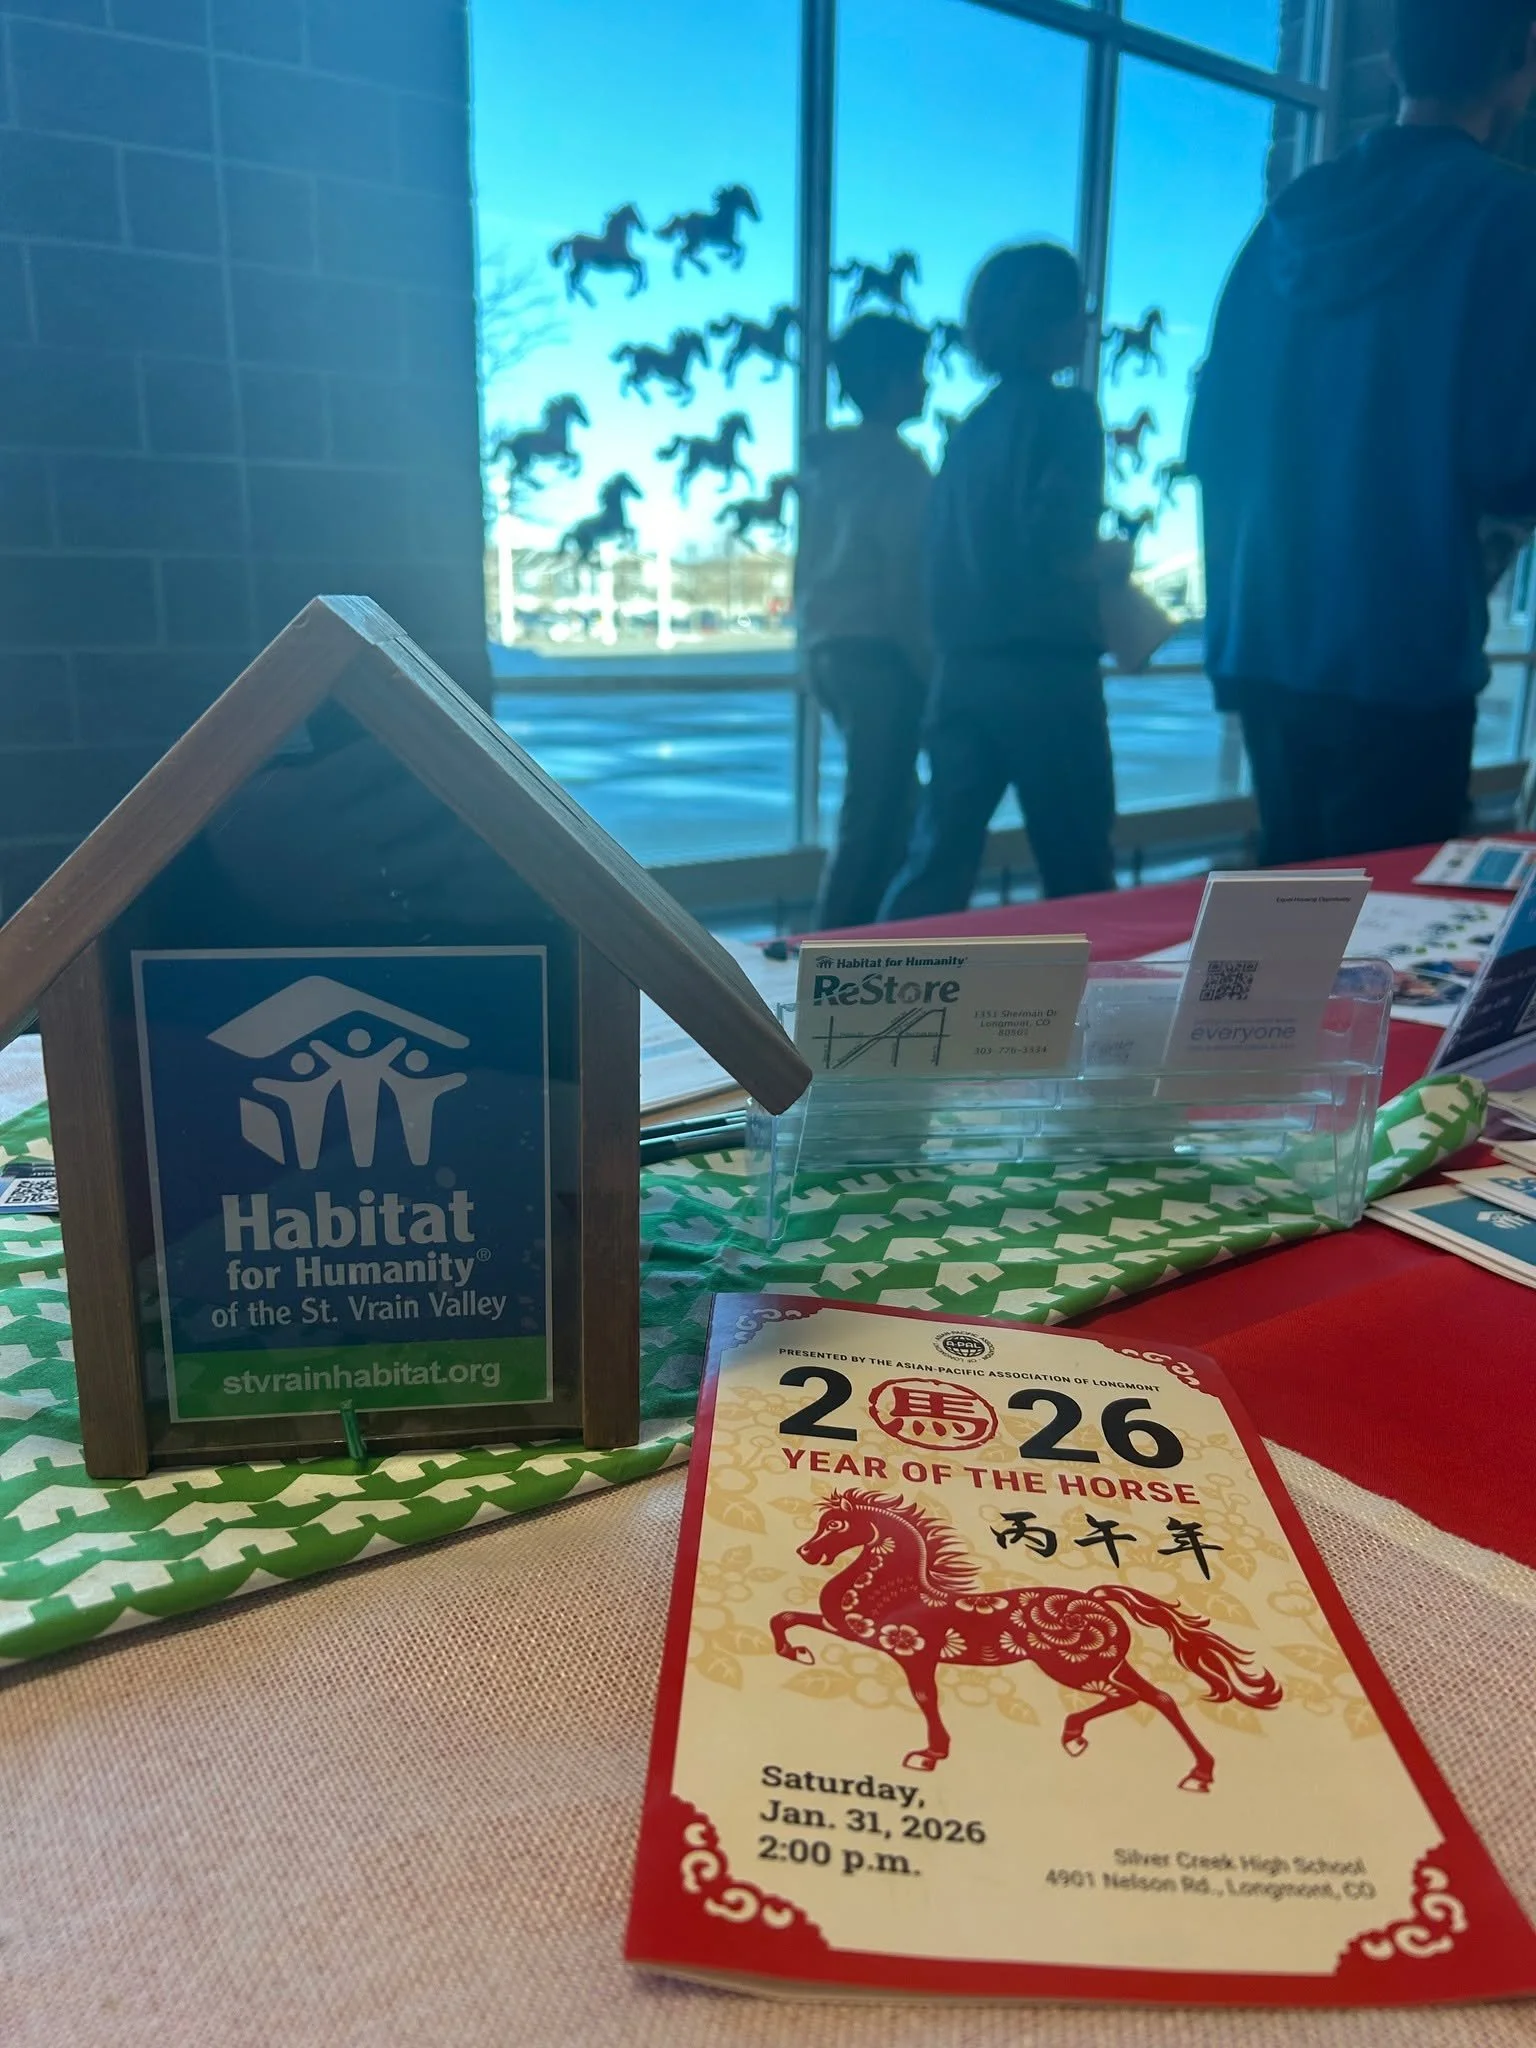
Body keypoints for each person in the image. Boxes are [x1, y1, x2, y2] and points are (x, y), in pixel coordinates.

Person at [1188, 0, 1536, 866]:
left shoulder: (1288, 221)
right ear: (1520, 65)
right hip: (1403, 652)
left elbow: (1213, 439)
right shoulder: (1509, 220)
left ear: (1390, 66)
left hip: (1268, 642)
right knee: (1396, 942)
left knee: (1284, 941)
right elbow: (1512, 460)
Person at [880, 243, 1116, 916]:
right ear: (1053, 318)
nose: (1088, 323)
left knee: (935, 866)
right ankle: (1096, 1019)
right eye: (1080, 309)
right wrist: (1109, 565)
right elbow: (1060, 540)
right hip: (1049, 675)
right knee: (1078, 872)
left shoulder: (970, 431)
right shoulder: (1069, 415)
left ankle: (872, 1006)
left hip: (962, 675)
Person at [795, 314, 933, 929]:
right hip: (879, 652)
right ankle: (833, 956)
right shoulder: (900, 469)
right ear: (888, 381)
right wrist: (931, 668)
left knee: (885, 803)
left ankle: (855, 942)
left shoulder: (829, 464)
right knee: (875, 813)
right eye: (917, 375)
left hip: (828, 649)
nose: (927, 387)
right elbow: (903, 578)